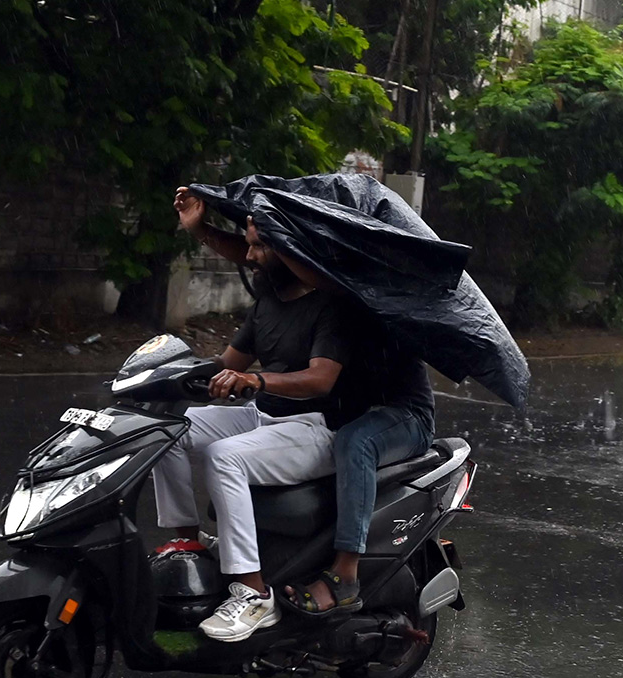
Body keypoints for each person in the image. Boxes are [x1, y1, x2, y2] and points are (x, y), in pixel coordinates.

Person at [153, 188, 350, 642]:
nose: (251, 255)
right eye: (251, 244)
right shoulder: (268, 303)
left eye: (261, 246)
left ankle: (253, 594)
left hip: (316, 428)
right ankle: (189, 543)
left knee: (225, 456)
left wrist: (259, 382)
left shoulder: (332, 306)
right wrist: (159, 378)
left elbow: (321, 379)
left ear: (289, 250)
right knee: (167, 426)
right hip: (264, 416)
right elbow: (226, 367)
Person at [279, 309, 435, 616]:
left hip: (407, 415)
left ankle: (345, 575)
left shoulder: (384, 307)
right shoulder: (323, 305)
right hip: (358, 412)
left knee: (356, 442)